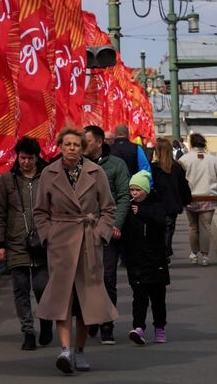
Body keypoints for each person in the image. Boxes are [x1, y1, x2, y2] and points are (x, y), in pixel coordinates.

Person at [34, 127, 118, 374]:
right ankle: (64, 350)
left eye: (76, 145)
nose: (71, 148)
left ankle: (79, 350)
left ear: (83, 148)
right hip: (60, 243)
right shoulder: (48, 173)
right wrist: (48, 235)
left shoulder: (96, 172)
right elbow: (40, 211)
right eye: (67, 144)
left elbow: (109, 208)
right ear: (60, 147)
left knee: (86, 302)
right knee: (63, 298)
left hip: (87, 242)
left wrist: (100, 233)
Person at [0, 137, 54, 350]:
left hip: (43, 241)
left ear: (37, 158)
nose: (25, 162)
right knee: (20, 289)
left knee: (42, 286)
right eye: (22, 158)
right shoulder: (8, 180)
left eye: (29, 158)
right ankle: (28, 331)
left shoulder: (47, 177)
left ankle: (46, 321)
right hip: (16, 242)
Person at [83, 125, 130, 345]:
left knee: (107, 277)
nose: (83, 145)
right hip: (82, 230)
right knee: (86, 278)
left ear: (99, 142)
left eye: (88, 141)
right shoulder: (78, 165)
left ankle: (107, 324)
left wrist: (115, 224)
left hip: (107, 229)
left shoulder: (116, 165)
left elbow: (123, 197)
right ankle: (90, 317)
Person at [122, 171, 170, 344]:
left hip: (156, 261)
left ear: (146, 190)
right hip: (136, 261)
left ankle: (160, 327)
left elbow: (161, 222)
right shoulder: (128, 207)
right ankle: (138, 328)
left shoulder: (155, 205)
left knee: (158, 299)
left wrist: (142, 212)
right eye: (132, 190)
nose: (134, 193)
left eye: (137, 190)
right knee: (139, 297)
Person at [178, 132, 217, 265]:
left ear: (191, 143)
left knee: (193, 226)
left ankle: (193, 254)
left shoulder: (183, 160)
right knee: (206, 226)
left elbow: (179, 180)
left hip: (190, 198)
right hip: (209, 198)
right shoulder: (214, 160)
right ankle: (205, 256)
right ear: (204, 144)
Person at [152, 137, 191, 261]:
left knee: (157, 230)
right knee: (169, 229)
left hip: (157, 204)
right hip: (172, 204)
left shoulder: (153, 168)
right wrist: (186, 201)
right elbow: (183, 186)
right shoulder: (176, 167)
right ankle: (166, 251)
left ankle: (162, 252)